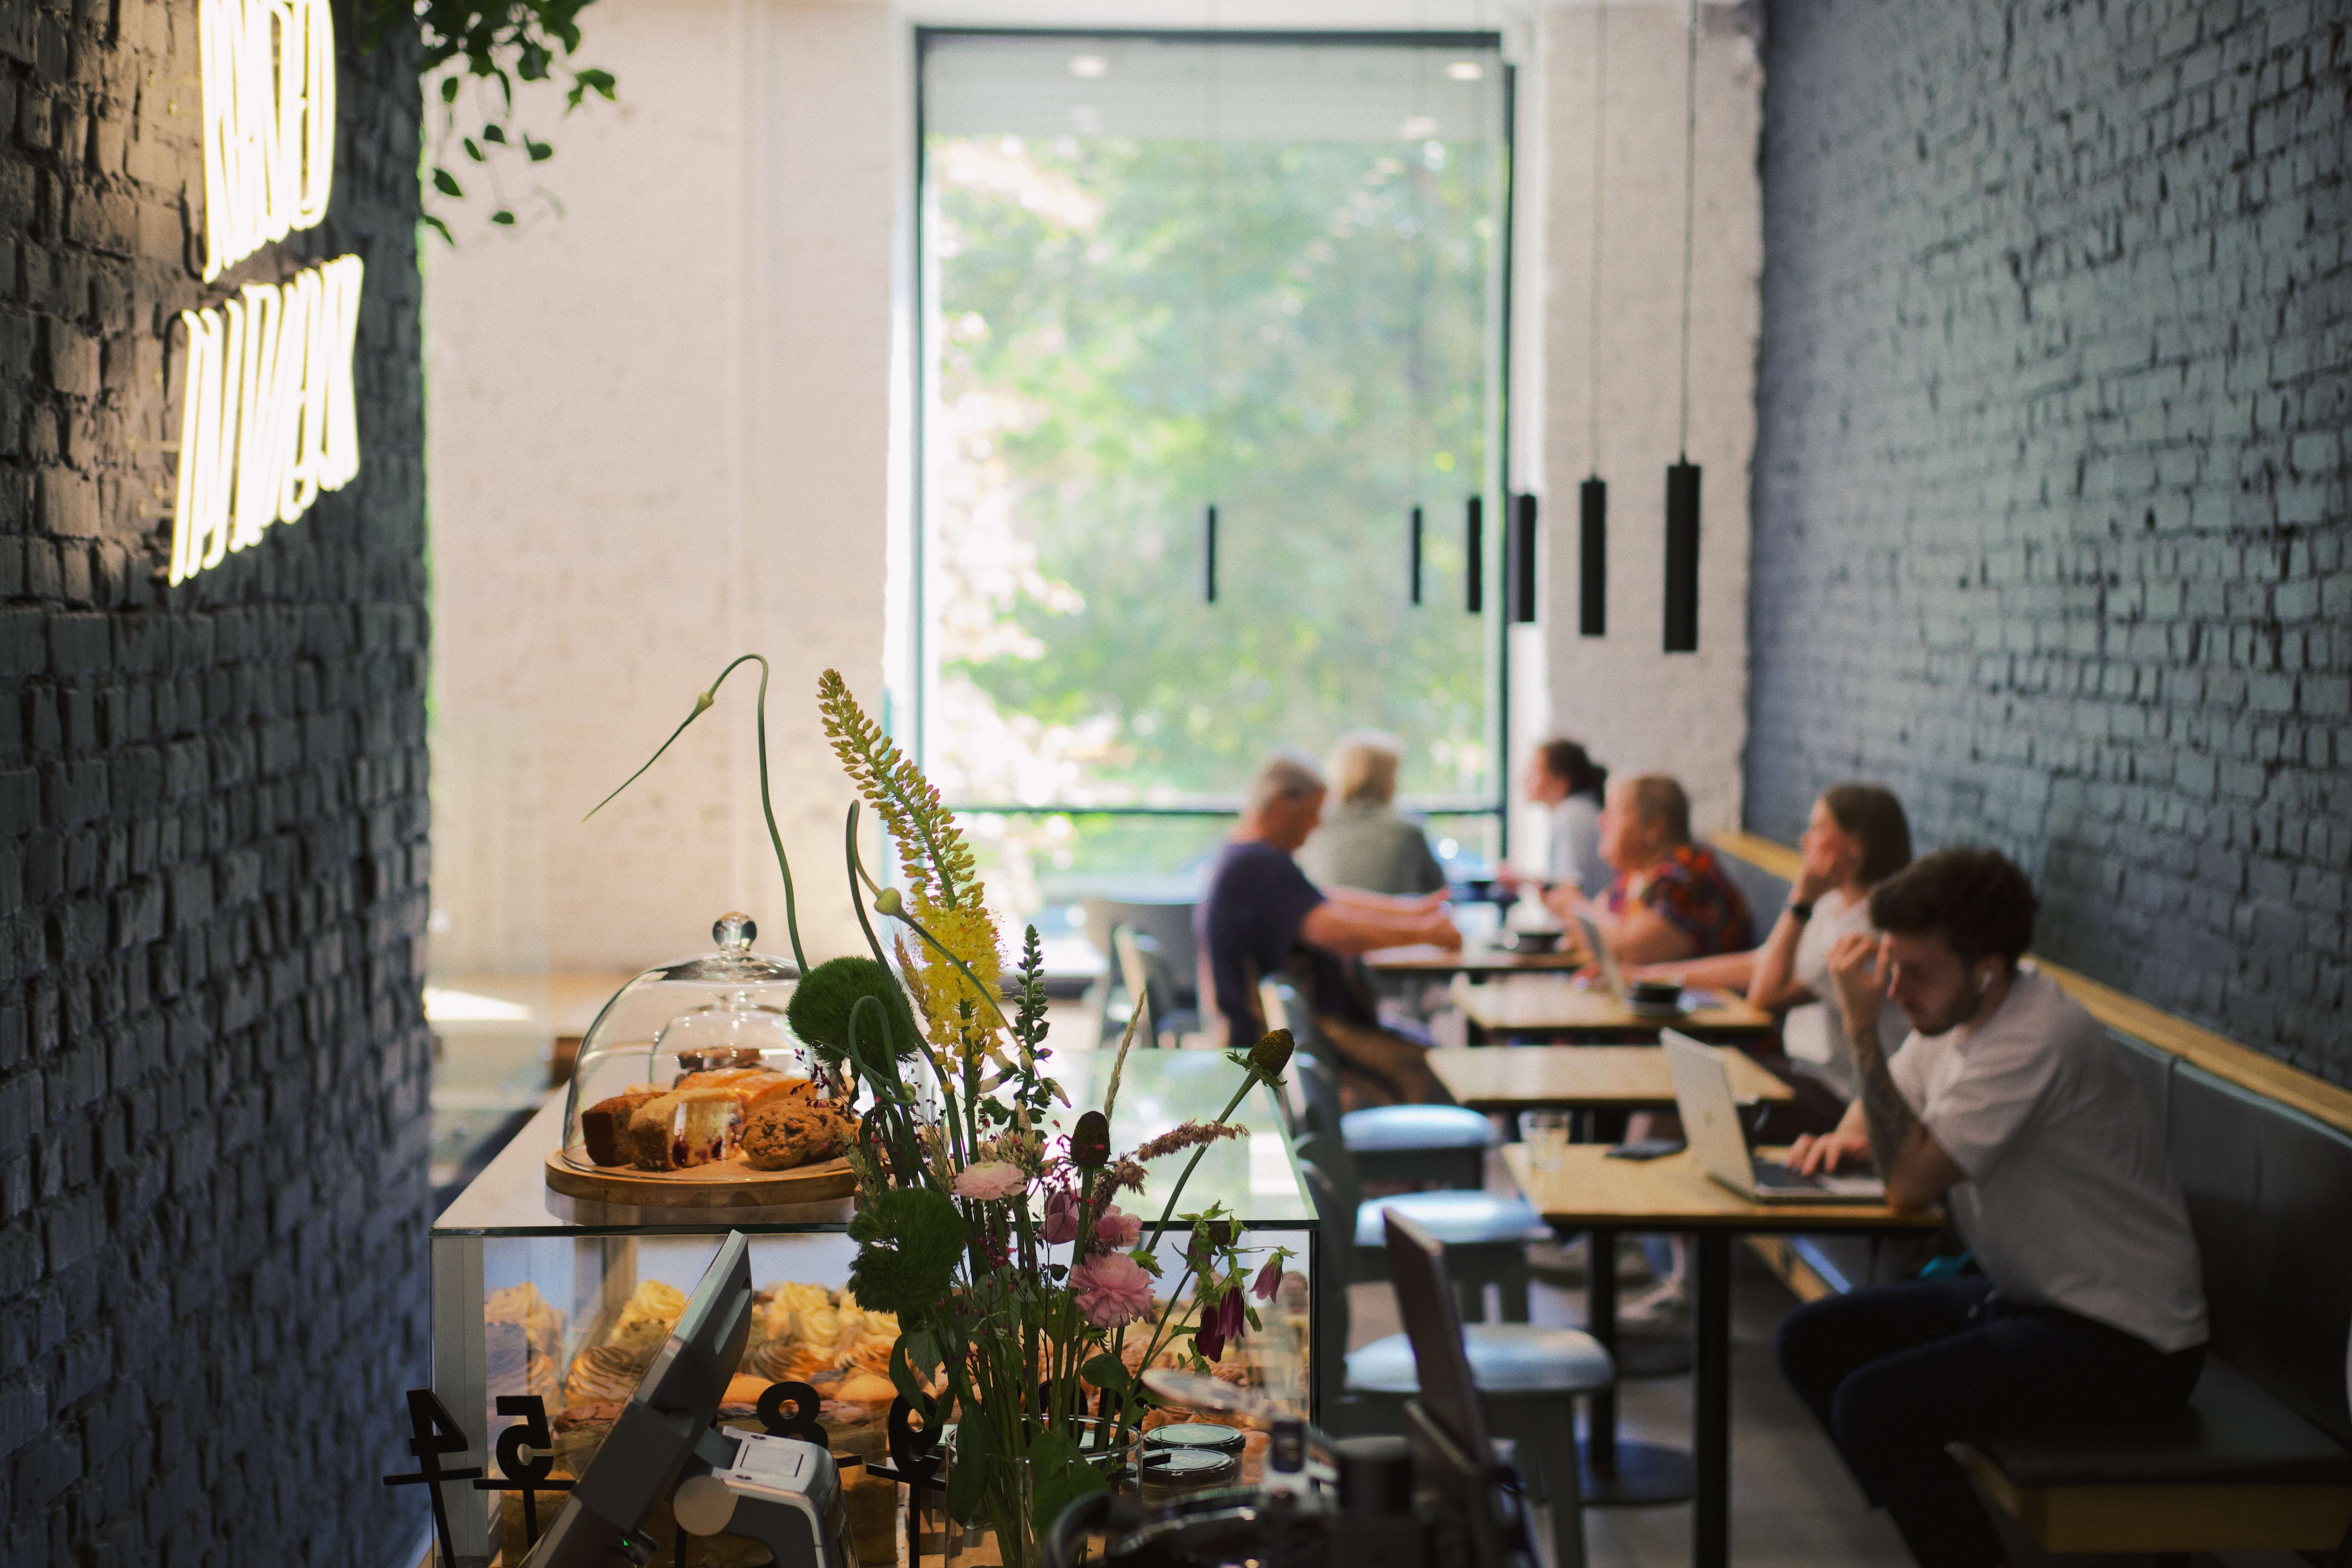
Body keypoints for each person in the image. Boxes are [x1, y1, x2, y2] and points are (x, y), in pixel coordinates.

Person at [1775, 848, 2207, 1568]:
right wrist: (1843, 1142)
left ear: (1987, 969)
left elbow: (1910, 1181)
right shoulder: (1957, 1014)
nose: (1892, 987)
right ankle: (1934, 1519)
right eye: (1887, 963)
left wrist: (1859, 1029)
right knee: (1810, 1342)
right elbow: (1877, 1120)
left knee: (1873, 1409)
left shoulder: (2033, 1039)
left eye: (1914, 971)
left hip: (2128, 1340)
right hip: (2034, 1298)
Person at [1196, 752, 1459, 1105]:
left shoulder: (1247, 856)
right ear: (1278, 805)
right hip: (1283, 1043)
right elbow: (1335, 930)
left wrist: (1414, 912)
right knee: (1441, 1073)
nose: (1316, 826)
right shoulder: (1258, 865)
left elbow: (1326, 901)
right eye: (1310, 815)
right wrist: (1426, 933)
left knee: (1428, 1053)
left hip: (1287, 1034)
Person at [1634, 782, 1913, 1100]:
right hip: (1802, 1071)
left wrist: (1801, 899)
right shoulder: (1835, 904)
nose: (1804, 840)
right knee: (1677, 1082)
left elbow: (1765, 995)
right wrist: (1654, 976)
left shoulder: (1863, 933)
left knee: (1685, 1093)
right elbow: (1761, 962)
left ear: (1855, 845)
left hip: (1840, 1093)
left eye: (1818, 829)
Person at [1567, 773, 1754, 963]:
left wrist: (1571, 904)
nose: (1602, 821)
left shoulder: (1686, 877)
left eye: (1614, 813)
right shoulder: (1636, 875)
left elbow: (1626, 952)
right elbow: (1596, 929)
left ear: (1653, 828)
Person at [1298, 730, 1447, 896]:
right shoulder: (1407, 833)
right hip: (1389, 922)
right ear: (1390, 778)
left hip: (1327, 921)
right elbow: (1439, 892)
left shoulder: (1313, 826)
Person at [1497, 737, 1611, 899]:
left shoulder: (1571, 817)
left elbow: (1570, 890)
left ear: (1561, 782)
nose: (1524, 779)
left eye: (1534, 771)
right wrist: (1524, 880)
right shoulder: (1580, 810)